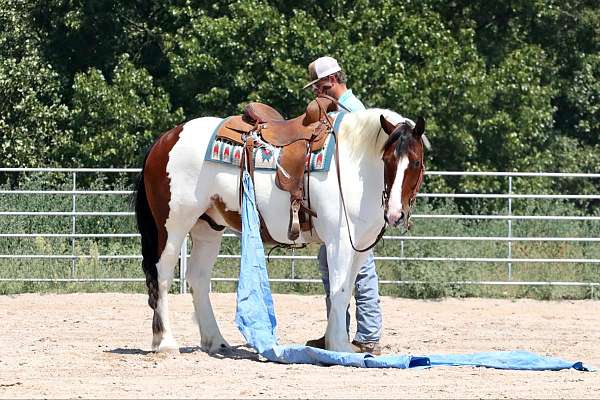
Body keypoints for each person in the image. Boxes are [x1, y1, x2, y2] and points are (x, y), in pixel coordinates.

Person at [303, 56, 382, 355]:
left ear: (332, 80)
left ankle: (368, 335)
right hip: (345, 209)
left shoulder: (354, 112)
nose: (316, 92)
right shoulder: (346, 109)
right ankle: (337, 330)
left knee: (359, 270)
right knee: (334, 265)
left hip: (352, 209)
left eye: (319, 86)